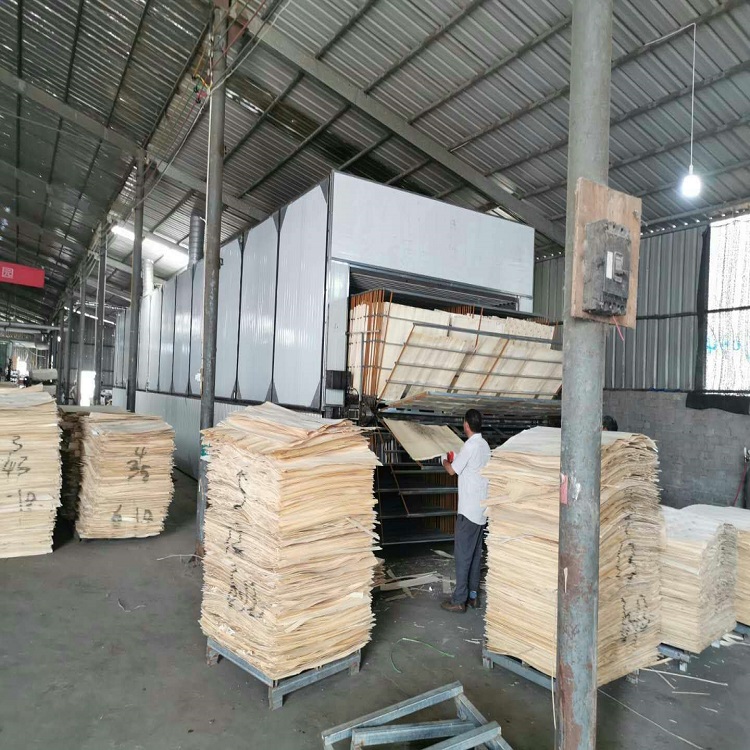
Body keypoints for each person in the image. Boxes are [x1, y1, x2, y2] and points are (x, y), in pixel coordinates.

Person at [440, 409, 491, 613]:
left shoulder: (470, 446)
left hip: (468, 511)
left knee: (462, 555)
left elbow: (452, 470)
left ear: (466, 425)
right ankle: (473, 597)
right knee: (475, 555)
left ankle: (459, 600)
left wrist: (443, 459)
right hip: (481, 510)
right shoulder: (485, 446)